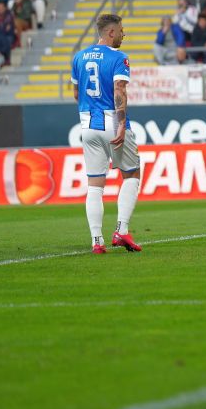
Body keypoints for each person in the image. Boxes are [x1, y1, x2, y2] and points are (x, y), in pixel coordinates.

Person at [70, 14, 142, 254]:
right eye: (121, 30)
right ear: (111, 32)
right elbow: (119, 89)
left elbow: (75, 94)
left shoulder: (79, 57)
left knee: (95, 184)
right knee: (131, 174)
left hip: (87, 124)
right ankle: (121, 230)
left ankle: (96, 241)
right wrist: (121, 124)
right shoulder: (119, 57)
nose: (124, 34)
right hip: (112, 121)